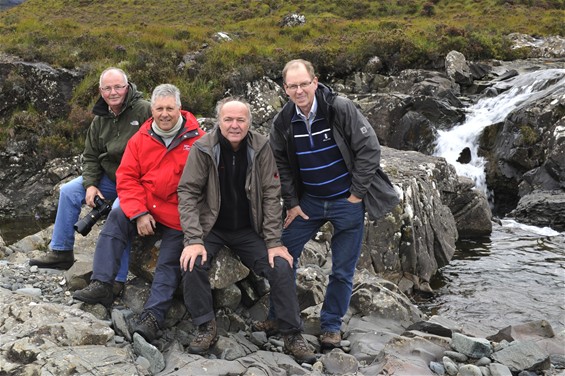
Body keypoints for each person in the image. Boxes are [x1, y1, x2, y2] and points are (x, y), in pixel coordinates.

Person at [268, 59, 399, 349]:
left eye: (304, 84)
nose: (299, 90)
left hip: (346, 202)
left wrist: (356, 194)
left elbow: (369, 149)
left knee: (342, 270)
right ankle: (278, 316)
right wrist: (291, 203)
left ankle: (330, 325)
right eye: (293, 86)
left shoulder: (339, 108)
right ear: (285, 89)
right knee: (282, 257)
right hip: (309, 203)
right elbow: (282, 167)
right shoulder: (282, 122)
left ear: (315, 82)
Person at [177, 97, 316, 364]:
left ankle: (292, 334)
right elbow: (188, 192)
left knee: (281, 265)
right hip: (212, 226)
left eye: (241, 119)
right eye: (228, 119)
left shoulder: (261, 146)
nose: (234, 125)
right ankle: (206, 325)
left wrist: (274, 241)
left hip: (248, 228)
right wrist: (194, 239)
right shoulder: (203, 148)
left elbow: (271, 193)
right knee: (192, 262)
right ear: (219, 121)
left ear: (249, 122)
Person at [73, 84, 204, 343]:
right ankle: (102, 283)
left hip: (179, 216)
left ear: (180, 108)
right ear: (151, 110)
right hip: (147, 208)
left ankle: (153, 317)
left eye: (170, 108)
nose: (164, 114)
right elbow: (127, 178)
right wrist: (139, 213)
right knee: (115, 219)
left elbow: (203, 187)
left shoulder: (198, 141)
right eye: (159, 108)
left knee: (168, 263)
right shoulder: (140, 138)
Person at [30, 67, 152, 294]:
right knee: (68, 191)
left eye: (118, 87)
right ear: (100, 90)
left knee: (119, 212)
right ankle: (61, 251)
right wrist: (91, 185)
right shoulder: (100, 118)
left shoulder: (144, 110)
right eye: (107, 88)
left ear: (127, 87)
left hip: (136, 182)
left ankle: (117, 277)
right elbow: (91, 156)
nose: (113, 92)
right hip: (108, 177)